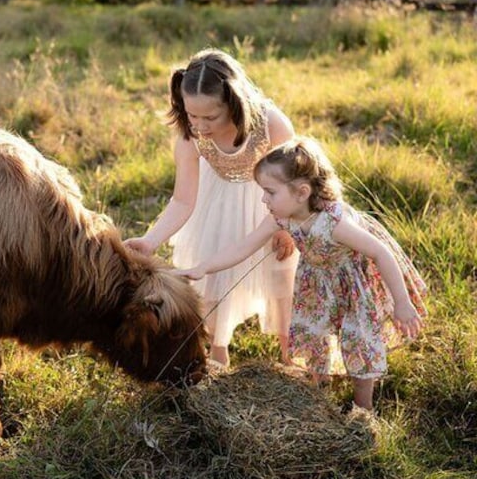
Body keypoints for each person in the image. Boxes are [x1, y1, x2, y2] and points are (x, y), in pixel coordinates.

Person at [179, 138, 427, 411]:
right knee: (313, 332)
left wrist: (402, 303)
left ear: (302, 192)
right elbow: (244, 247)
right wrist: (205, 267)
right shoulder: (281, 217)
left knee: (359, 340)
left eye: (270, 192)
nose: (263, 199)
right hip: (316, 283)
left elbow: (380, 253)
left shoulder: (334, 224)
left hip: (352, 282)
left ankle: (363, 408)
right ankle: (319, 389)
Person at [125, 49, 298, 367]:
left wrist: (288, 229)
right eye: (192, 116)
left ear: (234, 104)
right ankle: (217, 355)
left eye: (210, 117)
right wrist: (151, 240)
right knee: (213, 280)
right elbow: (182, 200)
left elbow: (297, 182)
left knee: (282, 279)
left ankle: (292, 355)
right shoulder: (192, 137)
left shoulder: (271, 124)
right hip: (217, 207)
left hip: (272, 206)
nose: (200, 126)